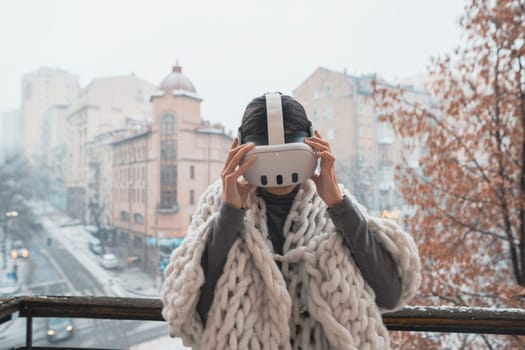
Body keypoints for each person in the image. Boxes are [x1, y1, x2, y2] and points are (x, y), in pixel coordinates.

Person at [161, 94, 421, 350]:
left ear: (313, 145)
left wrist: (338, 205)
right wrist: (230, 212)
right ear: (239, 151)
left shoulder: (334, 206)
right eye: (267, 156)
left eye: (290, 154)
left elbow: (390, 293)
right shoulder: (217, 207)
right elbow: (195, 311)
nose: (280, 171)